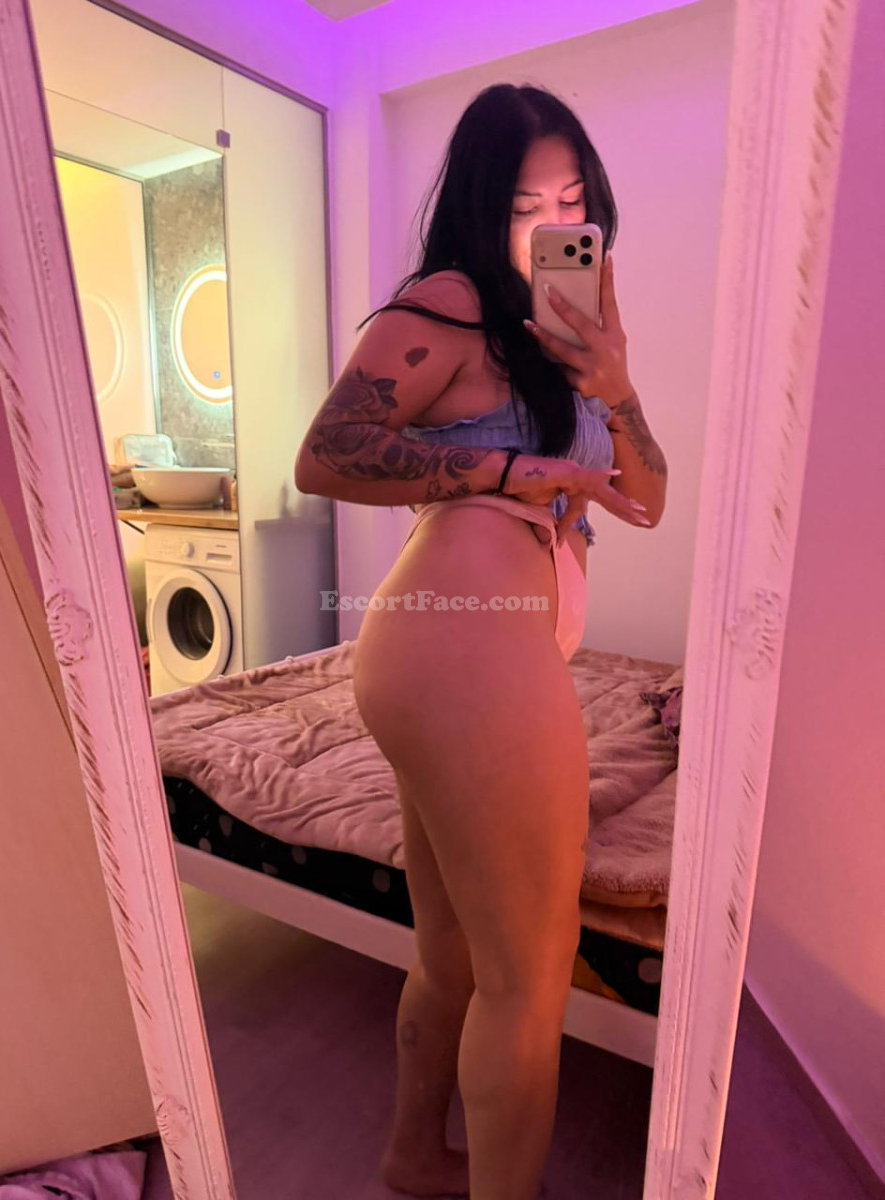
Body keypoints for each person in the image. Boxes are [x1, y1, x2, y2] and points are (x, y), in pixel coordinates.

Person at [295, 83, 667, 1200]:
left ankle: (415, 1154)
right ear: (478, 204)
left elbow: (646, 500)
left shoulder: (574, 335)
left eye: (572, 200)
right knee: (529, 980)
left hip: (455, 653)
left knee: (455, 951)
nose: (554, 224)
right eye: (523, 204)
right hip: (470, 637)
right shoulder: (450, 302)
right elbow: (327, 452)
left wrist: (616, 385)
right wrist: (511, 469)